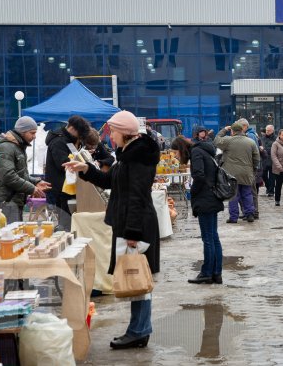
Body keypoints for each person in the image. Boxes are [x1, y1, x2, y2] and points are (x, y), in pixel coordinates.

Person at [64, 110, 160, 350]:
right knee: (134, 278)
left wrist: (133, 234)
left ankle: (139, 331)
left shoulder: (138, 157)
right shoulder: (128, 154)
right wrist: (85, 169)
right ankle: (137, 329)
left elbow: (137, 196)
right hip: (130, 223)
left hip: (135, 225)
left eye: (113, 132)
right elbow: (110, 182)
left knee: (136, 278)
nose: (110, 137)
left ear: (124, 132)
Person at [170, 134, 225, 284]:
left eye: (175, 152)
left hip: (205, 199)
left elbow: (199, 176)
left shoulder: (196, 153)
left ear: (181, 149)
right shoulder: (202, 150)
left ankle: (207, 272)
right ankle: (216, 272)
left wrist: (193, 193)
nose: (175, 156)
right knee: (213, 237)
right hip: (212, 197)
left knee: (208, 238)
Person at [0, 116, 52, 222]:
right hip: (7, 202)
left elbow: (19, 174)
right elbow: (8, 176)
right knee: (10, 236)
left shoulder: (17, 146)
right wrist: (32, 188)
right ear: (22, 131)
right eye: (32, 133)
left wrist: (36, 181)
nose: (35, 137)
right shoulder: (6, 147)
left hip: (14, 201)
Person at [44, 115, 90, 230]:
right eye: (79, 134)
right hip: (61, 189)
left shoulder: (68, 140)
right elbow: (63, 164)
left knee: (69, 221)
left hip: (68, 187)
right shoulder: (58, 142)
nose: (80, 137)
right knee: (65, 222)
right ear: (73, 129)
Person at [214, 122, 260, 223]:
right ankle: (250, 214)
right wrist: (253, 168)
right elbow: (256, 158)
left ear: (232, 131)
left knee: (234, 196)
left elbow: (216, 140)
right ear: (242, 130)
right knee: (247, 194)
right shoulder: (250, 141)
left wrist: (224, 129)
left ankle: (234, 217)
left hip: (232, 174)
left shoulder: (228, 140)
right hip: (247, 173)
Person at [237, 119, 264, 219]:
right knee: (249, 191)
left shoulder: (250, 136)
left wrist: (254, 167)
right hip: (249, 167)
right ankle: (249, 212)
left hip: (250, 167)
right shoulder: (249, 135)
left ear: (244, 126)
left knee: (251, 191)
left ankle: (253, 212)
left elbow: (254, 153)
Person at [261, 125, 277, 197]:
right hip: (264, 160)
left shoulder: (276, 138)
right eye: (266, 130)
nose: (267, 132)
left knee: (272, 177)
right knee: (263, 175)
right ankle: (268, 187)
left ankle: (271, 191)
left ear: (272, 131)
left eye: (268, 130)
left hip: (272, 160)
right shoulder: (263, 138)